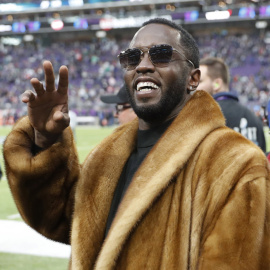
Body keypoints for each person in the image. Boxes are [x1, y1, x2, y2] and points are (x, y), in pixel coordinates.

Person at [3, 18, 270, 269]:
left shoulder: (236, 164)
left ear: (193, 79)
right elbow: (61, 220)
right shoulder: (106, 155)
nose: (142, 65)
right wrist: (45, 141)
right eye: (132, 58)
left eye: (161, 54)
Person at [199, 57, 266, 152]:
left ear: (217, 84)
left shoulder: (204, 118)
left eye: (199, 81)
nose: (194, 86)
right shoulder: (254, 119)